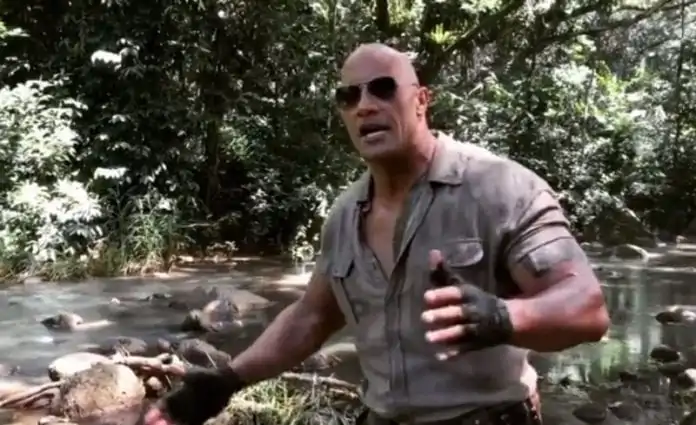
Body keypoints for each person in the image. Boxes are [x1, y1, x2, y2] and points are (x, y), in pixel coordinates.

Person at [141, 43, 610, 425]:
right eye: (349, 96)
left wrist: (504, 317)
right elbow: (311, 318)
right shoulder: (345, 215)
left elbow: (587, 308)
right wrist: (225, 382)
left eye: (383, 89)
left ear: (421, 100)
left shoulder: (501, 187)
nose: (365, 105)